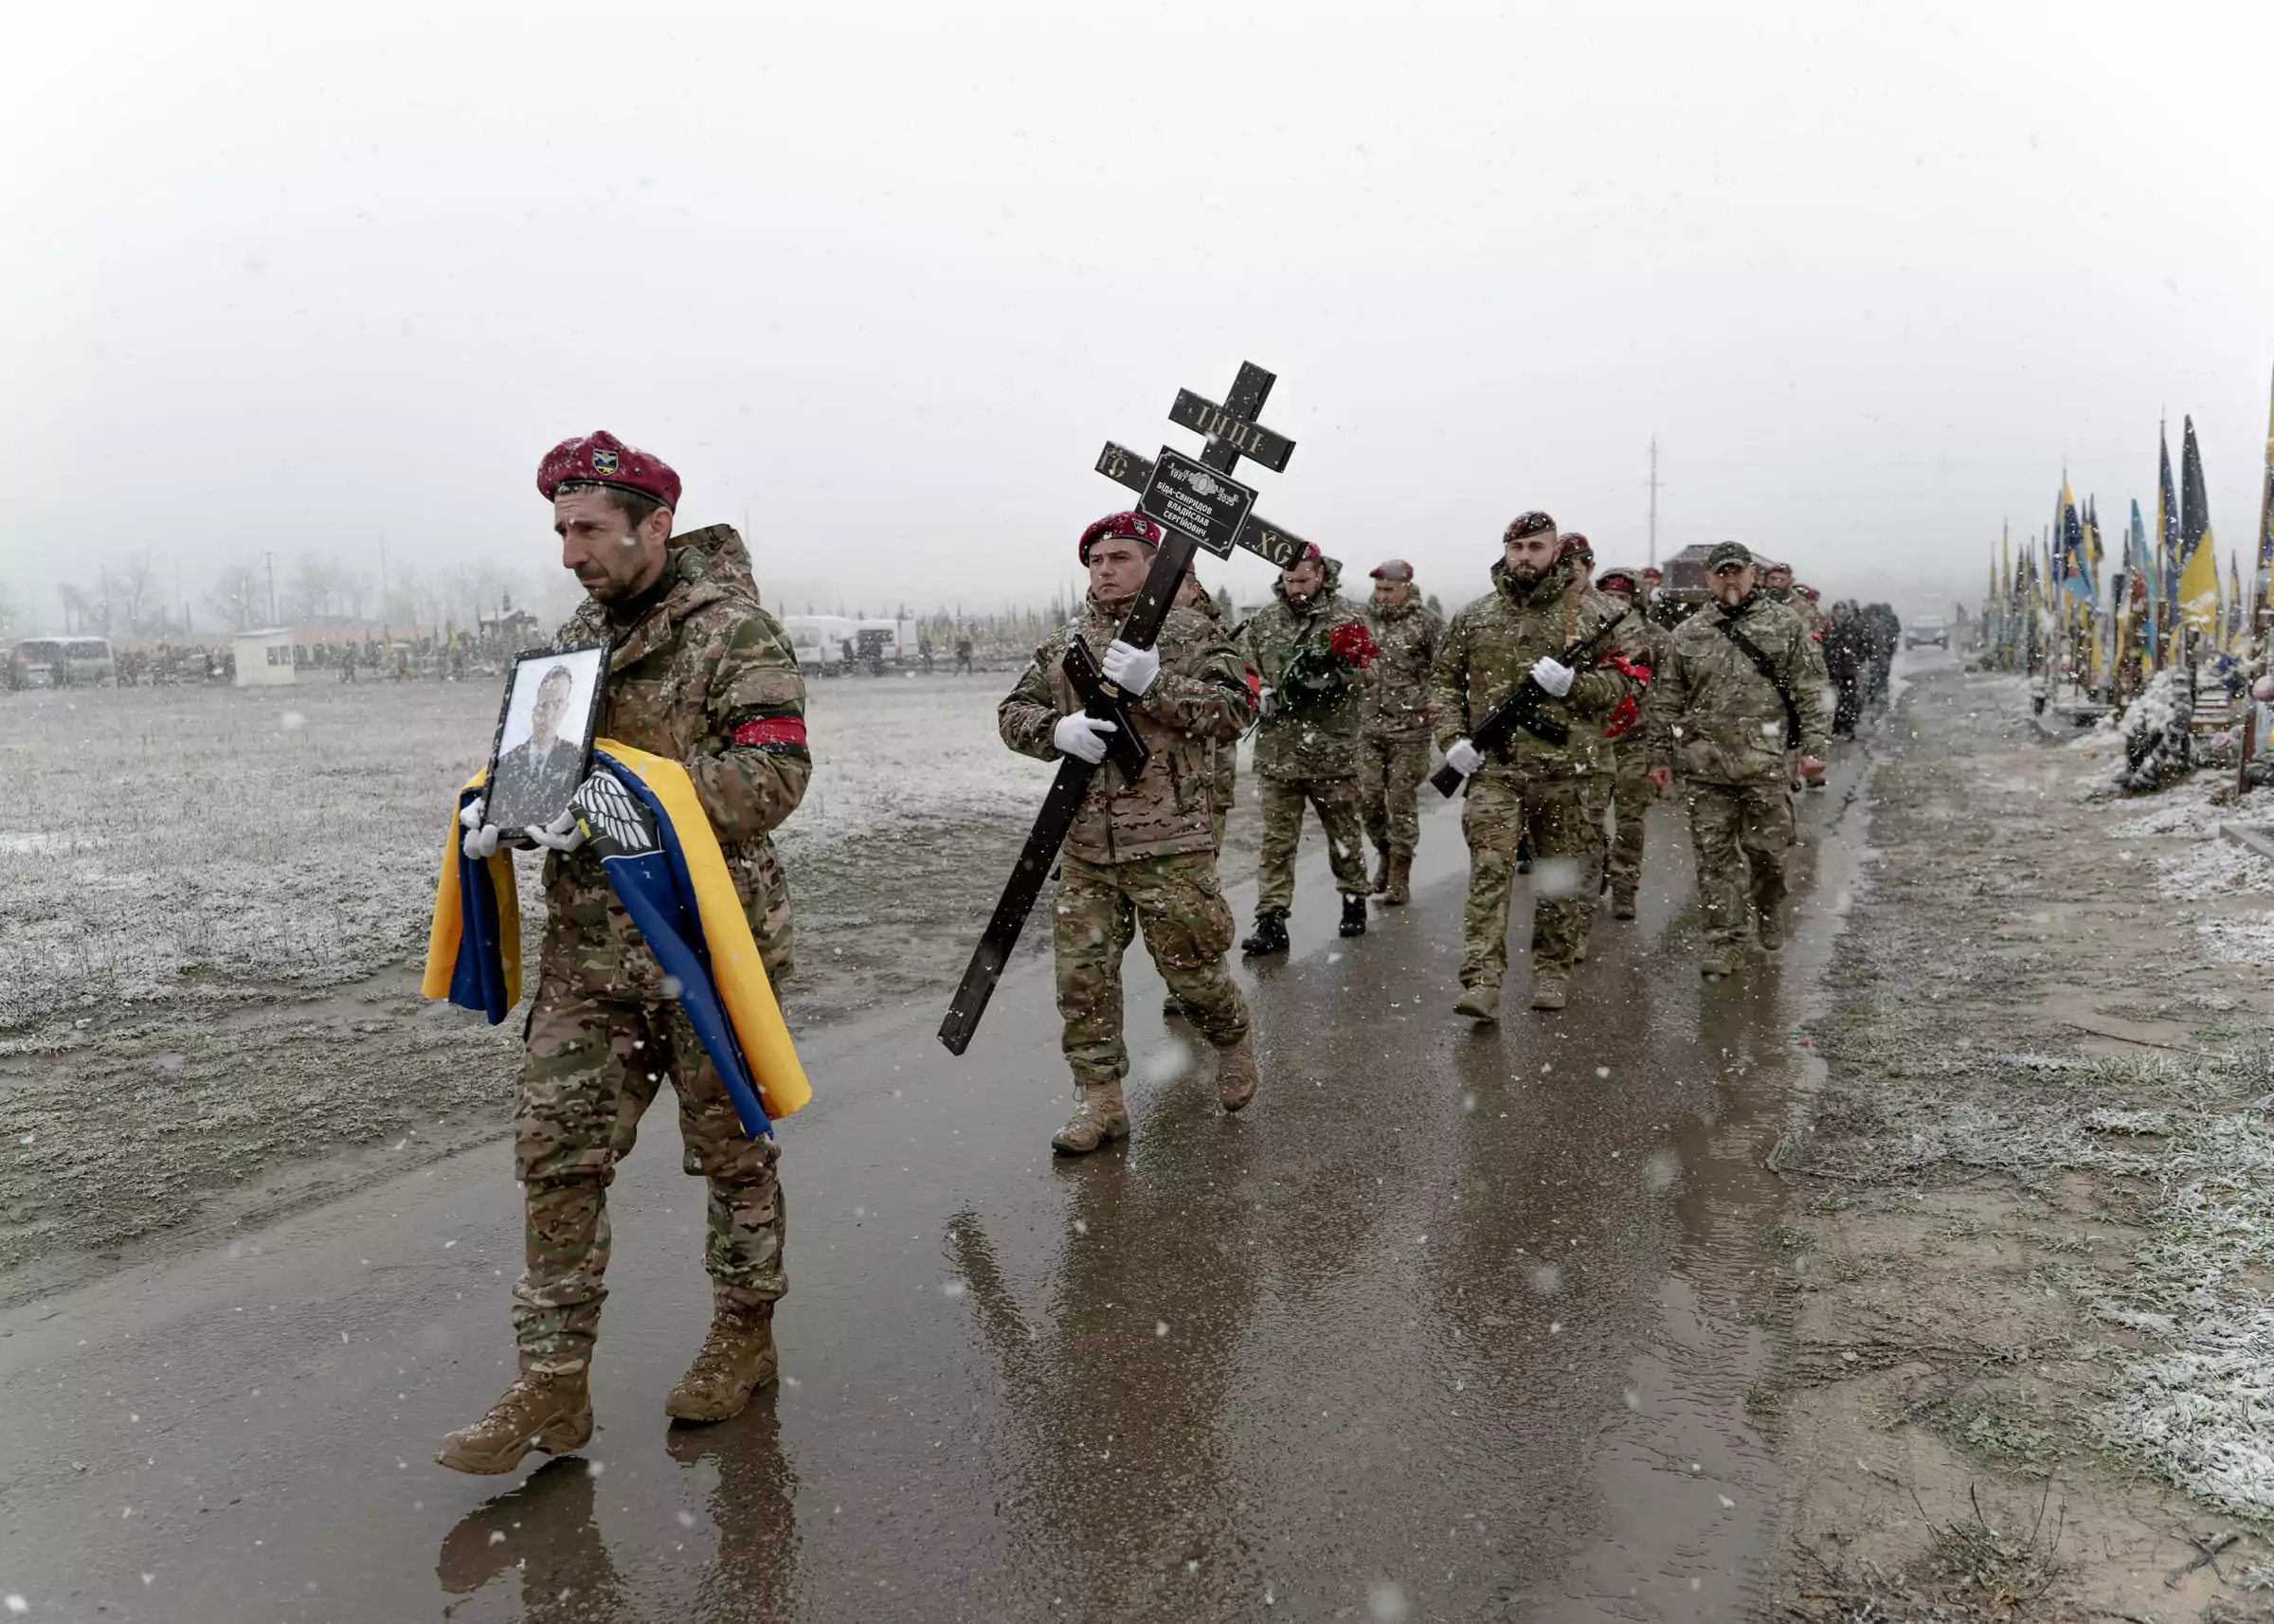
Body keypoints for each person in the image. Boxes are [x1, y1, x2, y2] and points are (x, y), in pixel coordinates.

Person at [440, 430, 810, 1474]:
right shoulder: (573, 639)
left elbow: (773, 783)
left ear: (656, 525)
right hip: (590, 958)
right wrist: (507, 812)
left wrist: (616, 811)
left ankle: (746, 1330)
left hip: (705, 946)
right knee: (556, 1160)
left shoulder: (735, 634)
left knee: (733, 1156)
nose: (570, 552)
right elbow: (541, 761)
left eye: (590, 529)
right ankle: (552, 1385)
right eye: (561, 529)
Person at [998, 512, 1259, 1153]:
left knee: (1193, 974)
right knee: (1082, 982)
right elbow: (1013, 710)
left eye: (1120, 557)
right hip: (1086, 845)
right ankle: (1101, 1102)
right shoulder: (1066, 646)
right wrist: (1052, 731)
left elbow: (1237, 711)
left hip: (1171, 843)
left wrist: (1155, 684)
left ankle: (1231, 1039)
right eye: (1095, 561)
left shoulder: (1196, 634)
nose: (1105, 570)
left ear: (1153, 564)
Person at [1431, 513, 1644, 1019]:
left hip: (1568, 772)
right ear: (1505, 551)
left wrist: (1576, 686)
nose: (1525, 556)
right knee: (1489, 872)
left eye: (1536, 547)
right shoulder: (1476, 615)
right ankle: (1482, 981)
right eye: (1517, 547)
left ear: (1555, 552)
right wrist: (1454, 740)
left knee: (1557, 877)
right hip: (1495, 772)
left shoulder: (1594, 617)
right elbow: (1443, 683)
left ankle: (1552, 969)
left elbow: (1627, 685)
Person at [1646, 542, 1829, 980]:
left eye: (1738, 572)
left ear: (1752, 575)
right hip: (1705, 766)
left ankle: (1767, 906)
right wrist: (1659, 754)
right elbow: (1666, 698)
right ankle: (1724, 940)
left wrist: (1814, 748)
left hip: (1765, 764)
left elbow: (1810, 688)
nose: (1730, 580)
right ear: (1708, 580)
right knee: (1715, 860)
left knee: (1769, 854)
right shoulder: (1688, 633)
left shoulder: (1785, 625)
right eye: (1721, 573)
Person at [1237, 544, 1376, 950]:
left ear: (1319, 576)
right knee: (1277, 842)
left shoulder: (1349, 617)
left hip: (1331, 750)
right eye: (1288, 580)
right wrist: (1259, 690)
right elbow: (1245, 667)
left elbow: (1372, 671)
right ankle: (1271, 919)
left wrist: (1336, 678)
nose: (1295, 588)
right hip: (1278, 752)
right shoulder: (1264, 622)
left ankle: (1354, 899)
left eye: (1302, 579)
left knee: (1343, 834)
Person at [1358, 559, 1443, 906]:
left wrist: (1428, 705)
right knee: (1369, 800)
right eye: (1379, 590)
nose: (1383, 597)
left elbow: (1445, 672)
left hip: (1411, 729)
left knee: (1400, 802)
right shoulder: (1362, 622)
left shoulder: (1428, 624)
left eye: (1390, 590)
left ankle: (1399, 877)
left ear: (1407, 586)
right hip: (1367, 726)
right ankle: (1385, 854)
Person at [1594, 567, 1667, 919]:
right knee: (1588, 820)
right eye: (1609, 596)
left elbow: (1671, 693)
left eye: (1622, 597)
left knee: (1630, 820)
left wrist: (1662, 750)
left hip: (1636, 740)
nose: (1615, 603)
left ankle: (1624, 884)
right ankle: (1597, 872)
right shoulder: (1585, 632)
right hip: (1594, 741)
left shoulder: (1655, 639)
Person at [487, 663, 588, 831]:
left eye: (557, 704)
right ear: (533, 706)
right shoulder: (506, 762)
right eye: (544, 704)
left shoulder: (577, 758)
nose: (549, 715)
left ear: (566, 709)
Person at [1823, 601, 1869, 737]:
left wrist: (1858, 657)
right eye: (1838, 609)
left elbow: (1863, 642)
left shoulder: (1853, 625)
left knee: (1849, 697)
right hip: (1832, 666)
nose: (1841, 612)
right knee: (1834, 698)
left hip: (1848, 667)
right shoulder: (1828, 624)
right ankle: (1837, 724)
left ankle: (1848, 724)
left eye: (1843, 609)